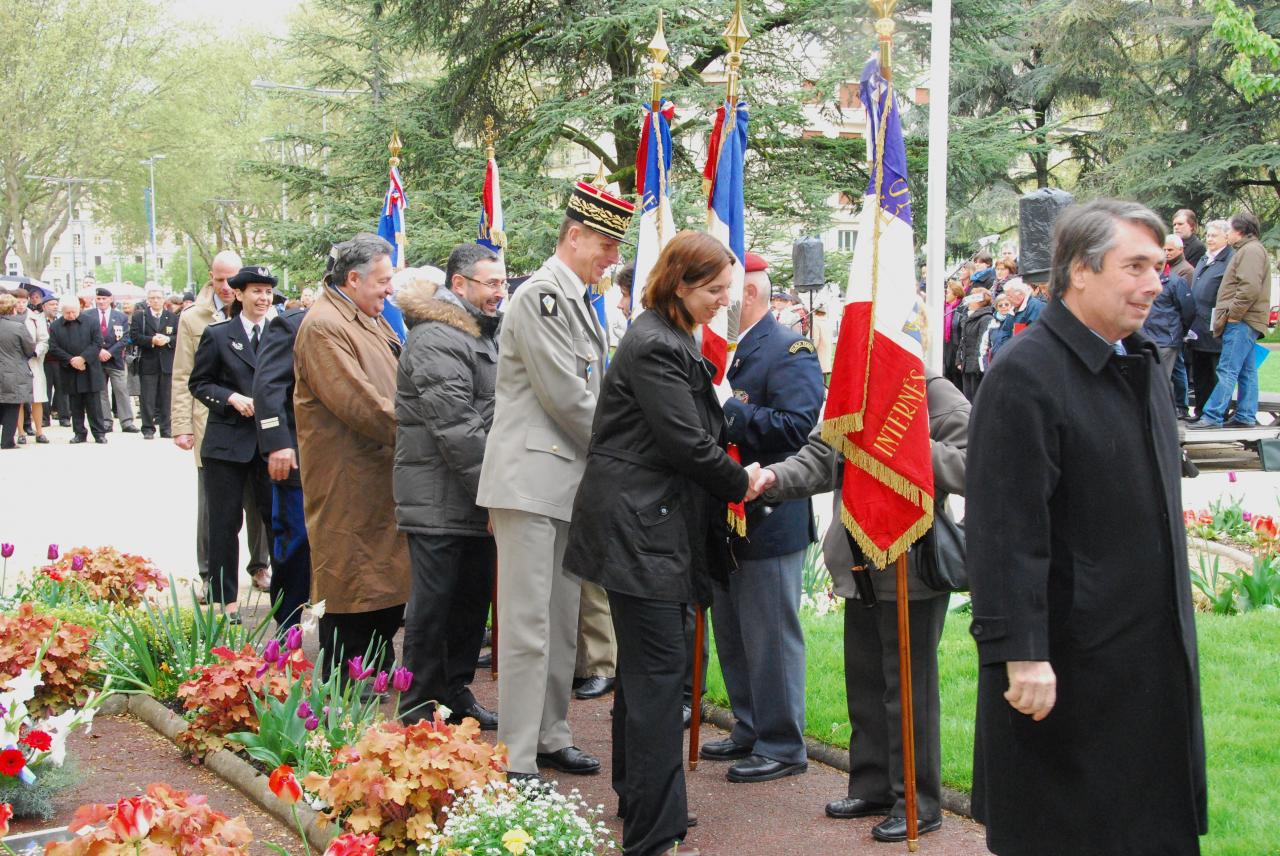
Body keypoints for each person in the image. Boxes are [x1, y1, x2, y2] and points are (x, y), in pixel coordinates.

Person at [967, 199, 1206, 855]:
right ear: (1078, 272)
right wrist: (1022, 651)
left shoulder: (1139, 364)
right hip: (1068, 671)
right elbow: (1005, 529)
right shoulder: (1026, 374)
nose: (1154, 283)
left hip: (1142, 665)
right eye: (1134, 266)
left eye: (1157, 266)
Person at [564, 230, 753, 856]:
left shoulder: (666, 337)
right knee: (656, 679)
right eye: (716, 290)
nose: (726, 300)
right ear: (680, 283)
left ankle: (641, 801)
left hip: (648, 527)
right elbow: (687, 444)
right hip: (640, 532)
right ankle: (653, 831)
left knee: (649, 676)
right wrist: (743, 483)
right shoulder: (655, 344)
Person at [748, 369, 968, 843]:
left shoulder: (930, 392)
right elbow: (818, 459)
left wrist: (907, 450)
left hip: (912, 560)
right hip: (860, 557)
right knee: (865, 682)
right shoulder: (855, 389)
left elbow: (976, 464)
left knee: (908, 692)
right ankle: (871, 785)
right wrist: (770, 476)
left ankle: (917, 802)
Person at [476, 180, 635, 780]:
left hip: (564, 483)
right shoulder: (542, 297)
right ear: (575, 237)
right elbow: (569, 397)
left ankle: (550, 734)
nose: (613, 259)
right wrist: (628, 453)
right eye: (607, 245)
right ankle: (517, 757)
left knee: (561, 621)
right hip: (530, 481)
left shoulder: (572, 299)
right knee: (526, 625)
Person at [699, 249, 824, 784]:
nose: (719, 299)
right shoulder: (723, 352)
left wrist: (731, 409)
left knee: (770, 633)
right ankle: (749, 725)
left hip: (770, 512)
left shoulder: (787, 348)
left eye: (723, 288)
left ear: (746, 292)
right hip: (726, 512)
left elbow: (798, 429)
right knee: (732, 628)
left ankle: (781, 741)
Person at [394, 245, 504, 728]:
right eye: (491, 283)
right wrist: (493, 492)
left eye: (503, 282)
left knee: (469, 604)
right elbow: (456, 425)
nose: (500, 292)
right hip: (441, 497)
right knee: (434, 607)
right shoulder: (438, 336)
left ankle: (456, 693)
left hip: (470, 496)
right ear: (459, 285)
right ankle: (417, 705)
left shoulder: (475, 331)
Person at [294, 234, 409, 676]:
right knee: (351, 581)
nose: (390, 290)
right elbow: (361, 404)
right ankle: (343, 682)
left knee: (381, 583)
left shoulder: (365, 317)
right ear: (354, 278)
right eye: (383, 280)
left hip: (378, 474)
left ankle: (376, 670)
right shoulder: (324, 326)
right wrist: (423, 435)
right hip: (349, 480)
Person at [172, 250, 272, 599]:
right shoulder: (198, 321)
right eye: (221, 280)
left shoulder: (277, 328)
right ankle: (214, 584)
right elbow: (187, 377)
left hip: (266, 437)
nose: (227, 287)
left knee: (268, 515)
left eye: (266, 291)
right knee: (218, 515)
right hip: (219, 431)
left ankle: (261, 568)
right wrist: (183, 424)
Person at [251, 298, 311, 630]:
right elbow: (268, 386)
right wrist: (277, 444)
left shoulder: (377, 323)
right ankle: (287, 629)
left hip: (343, 461)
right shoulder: (292, 325)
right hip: (296, 458)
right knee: (294, 546)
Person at [1191, 210, 1271, 429]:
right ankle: (1245, 416)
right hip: (1247, 320)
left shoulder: (1250, 251)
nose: (1227, 233)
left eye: (1230, 228)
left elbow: (1249, 288)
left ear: (1239, 230)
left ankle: (1212, 415)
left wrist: (1232, 315)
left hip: (1242, 321)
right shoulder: (1250, 250)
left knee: (1227, 369)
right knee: (1246, 371)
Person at [1186, 219, 1234, 418]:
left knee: (1215, 373)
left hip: (1215, 327)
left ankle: (1216, 414)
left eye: (1214, 235)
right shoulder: (1204, 259)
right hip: (1198, 328)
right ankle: (1200, 411)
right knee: (1200, 373)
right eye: (1208, 235)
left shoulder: (1230, 259)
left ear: (1226, 236)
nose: (1209, 239)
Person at [47, 298, 107, 443]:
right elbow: (54, 347)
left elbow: (98, 342)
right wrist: (71, 360)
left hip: (89, 367)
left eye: (74, 312)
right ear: (62, 312)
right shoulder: (56, 326)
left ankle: (99, 433)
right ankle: (79, 432)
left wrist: (83, 358)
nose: (71, 315)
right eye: (67, 313)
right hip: (69, 369)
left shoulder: (91, 321)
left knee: (94, 404)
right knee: (75, 404)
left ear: (79, 310)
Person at [83, 287, 138, 434]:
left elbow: (125, 338)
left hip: (115, 359)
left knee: (121, 389)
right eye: (99, 299)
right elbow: (85, 337)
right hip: (96, 359)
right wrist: (98, 350)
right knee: (101, 391)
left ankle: (127, 422)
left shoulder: (120, 317)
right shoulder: (88, 315)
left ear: (110, 299)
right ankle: (106, 421)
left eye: (104, 299)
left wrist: (110, 352)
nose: (101, 301)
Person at [1141, 237, 1195, 382]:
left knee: (1160, 382)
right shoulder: (1142, 279)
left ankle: (1179, 405)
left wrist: (1176, 332)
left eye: (1168, 250)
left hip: (1166, 339)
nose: (1166, 253)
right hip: (1146, 337)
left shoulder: (1176, 281)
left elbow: (1189, 311)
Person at [131, 285, 179, 439]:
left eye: (158, 298)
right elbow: (134, 336)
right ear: (148, 300)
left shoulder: (172, 317)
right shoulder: (140, 316)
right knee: (147, 397)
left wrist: (168, 340)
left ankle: (166, 428)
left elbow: (179, 337)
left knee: (166, 397)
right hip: (148, 361)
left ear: (164, 300)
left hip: (167, 362)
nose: (156, 301)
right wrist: (152, 340)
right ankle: (148, 428)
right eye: (152, 298)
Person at [13, 291, 50, 445]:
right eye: (17, 301)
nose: (20, 305)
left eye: (23, 301)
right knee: (18, 400)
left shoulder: (36, 318)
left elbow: (44, 340)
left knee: (37, 398)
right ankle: (21, 432)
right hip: (15, 362)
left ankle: (39, 431)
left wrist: (36, 351)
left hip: (33, 361)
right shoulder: (7, 316)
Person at [0, 294, 35, 449]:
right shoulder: (18, 327)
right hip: (13, 370)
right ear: (12, 308)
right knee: (12, 406)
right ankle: (7, 441)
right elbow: (29, 348)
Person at [957, 288, 993, 401]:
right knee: (967, 399)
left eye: (972, 299)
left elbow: (982, 343)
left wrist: (977, 366)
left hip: (976, 367)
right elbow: (962, 340)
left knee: (976, 399)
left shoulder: (986, 318)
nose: (968, 302)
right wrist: (959, 359)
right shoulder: (968, 317)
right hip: (966, 365)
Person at [40, 295, 68, 427]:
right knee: (45, 390)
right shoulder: (38, 320)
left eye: (56, 304)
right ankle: (45, 418)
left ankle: (64, 417)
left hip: (60, 359)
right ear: (44, 306)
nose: (55, 307)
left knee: (62, 389)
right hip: (44, 360)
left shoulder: (62, 320)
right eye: (51, 304)